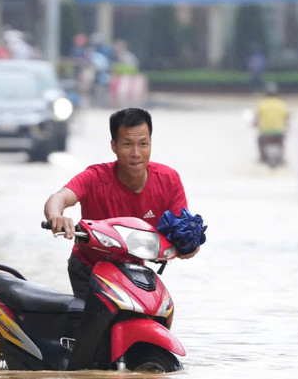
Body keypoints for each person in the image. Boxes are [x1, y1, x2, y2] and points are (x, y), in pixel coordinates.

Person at [44, 107, 198, 299]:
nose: (136, 153)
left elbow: (182, 228)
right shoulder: (94, 177)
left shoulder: (169, 179)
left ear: (151, 144)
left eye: (143, 144)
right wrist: (56, 217)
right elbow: (59, 198)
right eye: (127, 144)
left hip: (135, 270)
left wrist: (189, 244)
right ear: (114, 146)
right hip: (88, 268)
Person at [254, 81, 289, 161]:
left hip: (265, 133)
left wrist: (255, 124)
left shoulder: (262, 104)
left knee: (259, 141)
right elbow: (287, 117)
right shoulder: (281, 104)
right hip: (279, 133)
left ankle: (262, 157)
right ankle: (282, 157)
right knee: (282, 142)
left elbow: (257, 118)